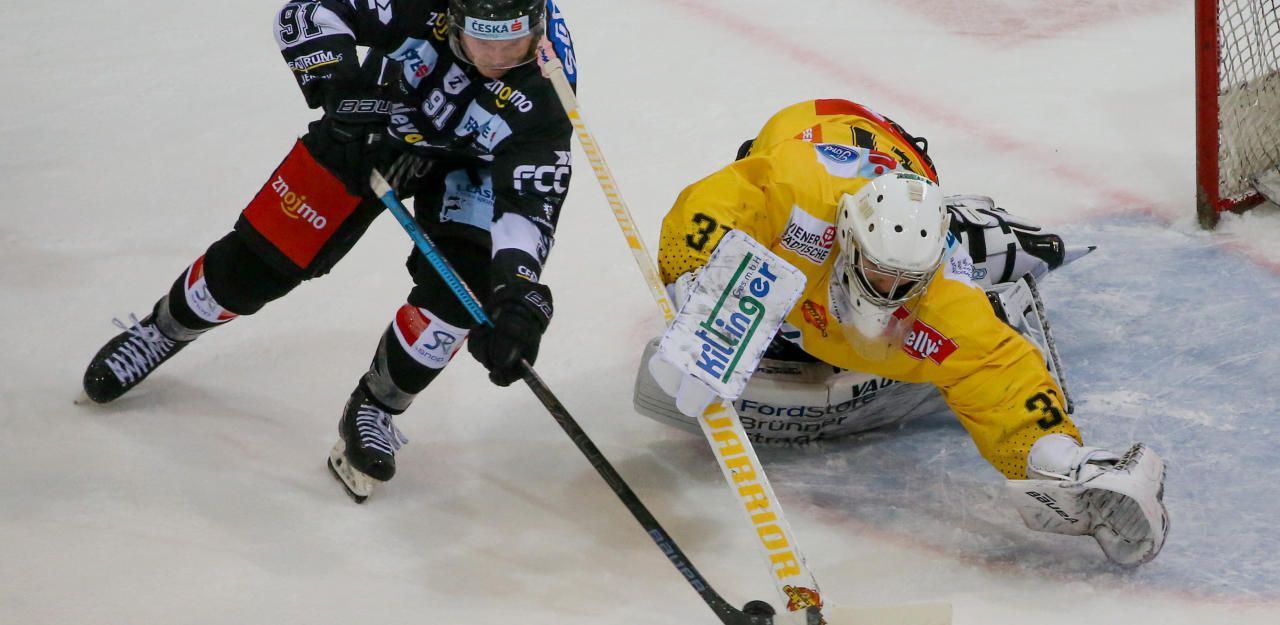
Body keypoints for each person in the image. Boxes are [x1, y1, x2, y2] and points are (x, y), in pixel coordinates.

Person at [636, 99, 1169, 566]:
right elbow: (716, 200)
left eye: (905, 282)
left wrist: (1058, 461)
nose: (889, 292)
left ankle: (988, 230)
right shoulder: (800, 196)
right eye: (878, 273)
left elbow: (996, 367)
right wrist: (704, 288)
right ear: (848, 239)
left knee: (991, 258)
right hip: (818, 126)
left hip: (909, 172)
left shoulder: (942, 292)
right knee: (774, 272)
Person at [81, 0, 577, 503]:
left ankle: (376, 407)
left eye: (513, 43)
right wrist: (342, 89)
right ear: (452, 20)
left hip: (474, 165)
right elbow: (307, 13)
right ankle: (163, 330)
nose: (498, 56)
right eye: (483, 40)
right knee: (260, 263)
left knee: (465, 293)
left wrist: (515, 296)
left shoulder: (547, 87)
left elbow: (528, 205)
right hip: (378, 122)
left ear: (536, 28)